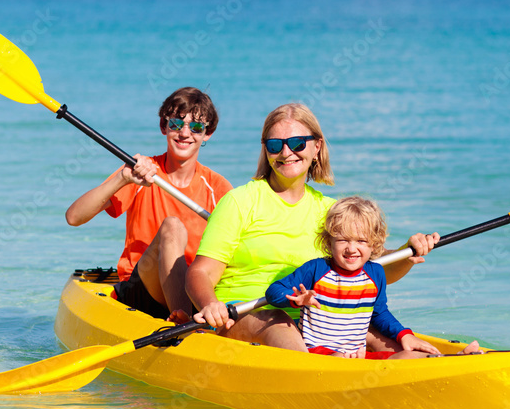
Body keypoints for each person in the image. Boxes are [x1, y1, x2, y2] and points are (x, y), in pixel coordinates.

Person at [185, 103, 440, 355]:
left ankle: (435, 362)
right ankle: (321, 374)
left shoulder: (330, 210)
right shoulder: (239, 202)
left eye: (297, 143)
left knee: (386, 337)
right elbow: (201, 273)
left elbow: (371, 270)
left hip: (320, 319)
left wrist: (408, 253)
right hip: (244, 314)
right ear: (266, 150)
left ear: (316, 146)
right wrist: (210, 305)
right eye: (275, 145)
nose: (286, 153)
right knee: (279, 320)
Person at [66, 87, 232, 319]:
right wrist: (121, 179)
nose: (185, 133)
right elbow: (74, 217)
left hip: (195, 290)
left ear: (207, 134)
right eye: (176, 124)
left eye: (196, 127)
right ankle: (183, 321)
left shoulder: (219, 188)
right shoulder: (142, 172)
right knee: (172, 226)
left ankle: (193, 319)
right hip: (142, 290)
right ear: (164, 127)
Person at [265, 196, 483, 359]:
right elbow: (273, 291)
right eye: (343, 240)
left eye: (361, 241)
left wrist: (404, 335)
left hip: (357, 354)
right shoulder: (316, 269)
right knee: (339, 359)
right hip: (319, 354)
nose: (352, 248)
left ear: (374, 243)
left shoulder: (375, 273)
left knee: (409, 355)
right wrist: (295, 298)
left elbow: (379, 314)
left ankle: (456, 358)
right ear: (329, 242)